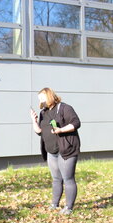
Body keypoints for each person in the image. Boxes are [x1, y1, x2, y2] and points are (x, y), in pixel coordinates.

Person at [30, 87, 81, 215]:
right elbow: (40, 132)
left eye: (42, 97)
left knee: (68, 178)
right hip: (51, 151)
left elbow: (76, 123)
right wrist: (34, 121)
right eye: (39, 99)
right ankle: (55, 204)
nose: (41, 100)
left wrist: (61, 130)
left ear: (50, 96)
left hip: (66, 150)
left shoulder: (64, 108)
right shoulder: (43, 112)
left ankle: (68, 208)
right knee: (56, 179)